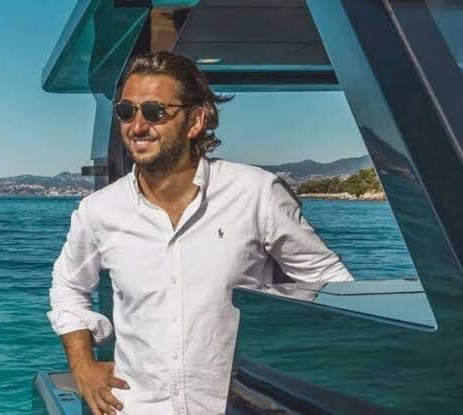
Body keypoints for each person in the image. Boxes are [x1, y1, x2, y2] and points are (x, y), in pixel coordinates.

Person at [47, 51, 353, 415]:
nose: (137, 126)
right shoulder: (98, 211)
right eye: (126, 112)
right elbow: (68, 288)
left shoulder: (255, 193)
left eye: (154, 112)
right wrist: (82, 366)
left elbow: (332, 286)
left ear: (195, 120)